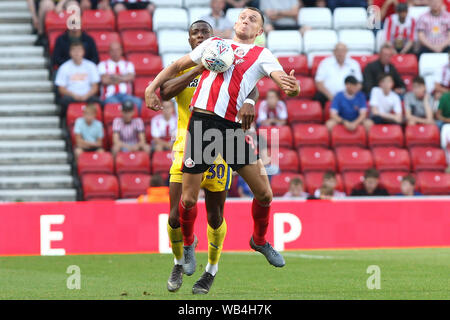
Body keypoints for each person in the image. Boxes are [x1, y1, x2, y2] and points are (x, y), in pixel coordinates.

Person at [145, 7, 300, 290]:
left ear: (260, 32)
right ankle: (189, 245)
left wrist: (292, 87)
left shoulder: (263, 56)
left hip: (230, 130)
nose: (246, 20)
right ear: (235, 22)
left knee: (265, 194)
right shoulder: (216, 45)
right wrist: (150, 88)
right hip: (202, 125)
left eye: (253, 19)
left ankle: (260, 240)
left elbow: (281, 81)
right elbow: (175, 66)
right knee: (189, 201)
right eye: (242, 16)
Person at [157, 20, 258, 295]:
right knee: (176, 214)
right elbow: (163, 92)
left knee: (215, 216)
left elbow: (252, 82)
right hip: (185, 145)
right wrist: (201, 66)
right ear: (189, 40)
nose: (200, 36)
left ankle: (211, 270)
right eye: (195, 33)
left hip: (219, 147)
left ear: (213, 38)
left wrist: (249, 101)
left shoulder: (227, 64)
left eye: (205, 33)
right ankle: (179, 261)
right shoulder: (181, 66)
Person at [54, 41, 101, 118]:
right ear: (70, 52)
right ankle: (65, 124)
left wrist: (86, 95)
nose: (76, 53)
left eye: (79, 50)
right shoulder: (64, 67)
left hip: (87, 96)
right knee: (63, 102)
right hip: (71, 96)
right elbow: (61, 89)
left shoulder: (91, 66)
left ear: (83, 52)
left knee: (99, 103)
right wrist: (74, 95)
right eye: (74, 50)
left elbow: (95, 87)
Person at [98, 42, 143, 114]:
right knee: (115, 105)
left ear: (121, 51)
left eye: (117, 50)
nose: (115, 52)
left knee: (138, 102)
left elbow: (131, 77)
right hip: (109, 96)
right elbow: (104, 80)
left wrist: (113, 77)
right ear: (109, 52)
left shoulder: (128, 64)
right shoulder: (102, 65)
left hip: (126, 96)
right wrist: (123, 78)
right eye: (113, 50)